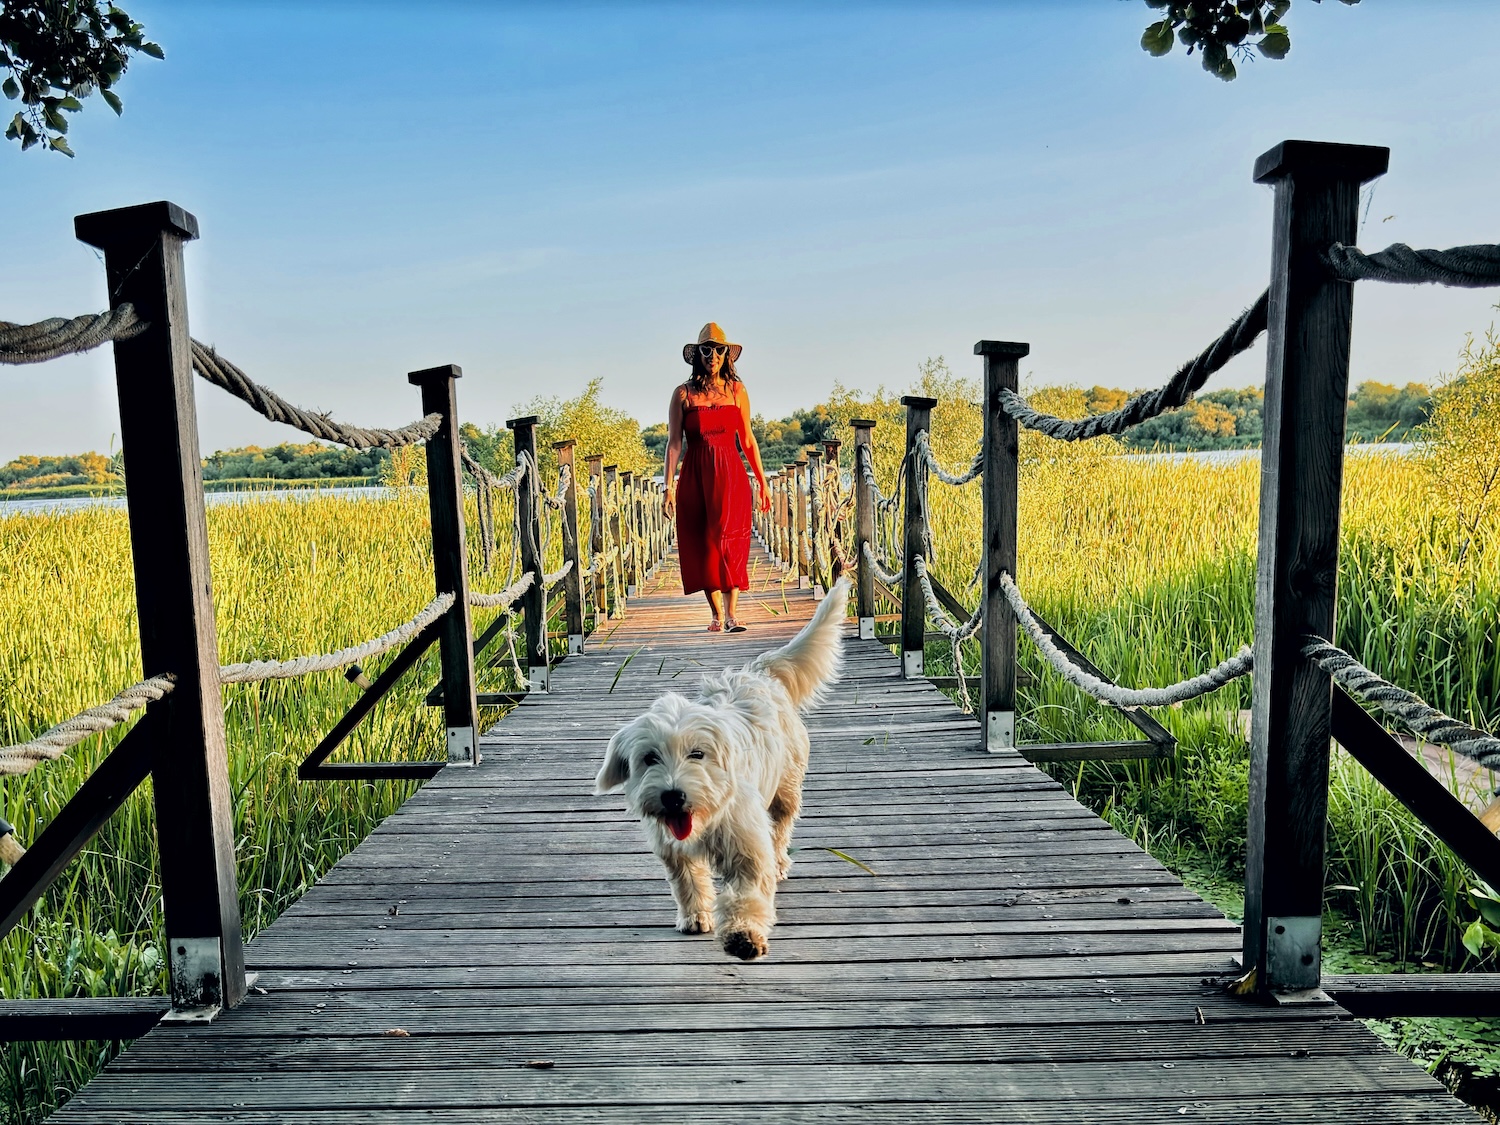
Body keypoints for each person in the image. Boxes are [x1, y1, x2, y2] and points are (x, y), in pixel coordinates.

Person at [663, 322, 772, 632]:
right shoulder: (682, 394)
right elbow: (673, 444)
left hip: (731, 474)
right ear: (698, 355)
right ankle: (715, 614)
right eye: (706, 350)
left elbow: (748, 440)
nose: (713, 355)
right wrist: (667, 488)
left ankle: (732, 614)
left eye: (719, 350)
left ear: (727, 355)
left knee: (731, 538)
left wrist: (762, 482)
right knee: (704, 541)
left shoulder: (737, 391)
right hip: (695, 474)